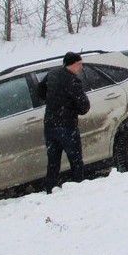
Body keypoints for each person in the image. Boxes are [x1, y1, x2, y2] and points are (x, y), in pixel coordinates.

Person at [38, 51, 91, 193]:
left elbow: (40, 91)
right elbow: (84, 106)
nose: (81, 67)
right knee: (76, 160)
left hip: (50, 126)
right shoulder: (73, 81)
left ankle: (50, 189)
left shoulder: (52, 74)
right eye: (79, 64)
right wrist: (71, 108)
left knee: (53, 162)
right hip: (67, 126)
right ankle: (78, 187)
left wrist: (53, 101)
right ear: (72, 65)